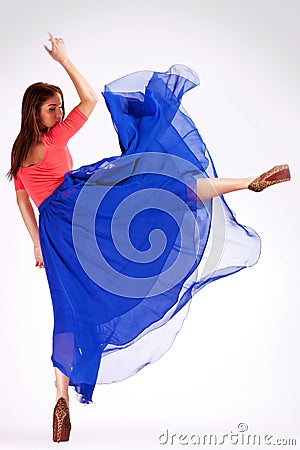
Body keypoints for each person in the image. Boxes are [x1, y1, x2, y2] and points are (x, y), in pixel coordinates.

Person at [8, 34, 290, 443]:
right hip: (77, 201)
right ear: (35, 111)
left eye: (59, 108)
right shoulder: (51, 139)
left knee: (69, 309)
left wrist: (36, 242)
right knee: (159, 188)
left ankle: (60, 395)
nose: (61, 112)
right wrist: (65, 60)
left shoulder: (18, 154)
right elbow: (88, 100)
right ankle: (247, 182)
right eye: (53, 108)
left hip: (55, 231)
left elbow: (23, 203)